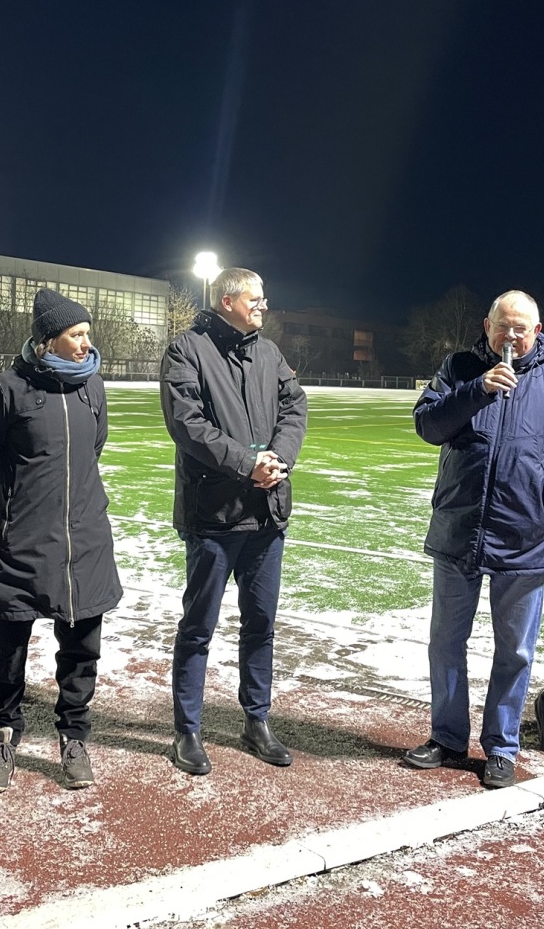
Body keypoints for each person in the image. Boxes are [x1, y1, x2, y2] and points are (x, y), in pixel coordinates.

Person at [403, 290, 544, 788]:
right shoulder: (460, 366)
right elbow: (428, 425)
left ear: (537, 330)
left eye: (520, 327)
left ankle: (501, 747)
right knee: (446, 642)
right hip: (458, 528)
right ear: (486, 325)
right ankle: (447, 738)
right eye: (502, 325)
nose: (510, 335)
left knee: (514, 650)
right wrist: (478, 390)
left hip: (523, 536)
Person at [0, 288, 121, 793]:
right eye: (76, 335)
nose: (85, 344)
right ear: (48, 339)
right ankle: (2, 736)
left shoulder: (91, 388)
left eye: (86, 334)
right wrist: (4, 524)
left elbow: (93, 449)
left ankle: (74, 735)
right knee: (7, 650)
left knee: (81, 648)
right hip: (20, 544)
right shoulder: (8, 389)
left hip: (85, 543)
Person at [160, 267, 308, 776]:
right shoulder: (187, 349)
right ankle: (188, 729)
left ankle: (256, 719)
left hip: (266, 516)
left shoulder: (267, 352)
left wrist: (278, 459)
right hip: (214, 518)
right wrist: (249, 463)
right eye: (256, 299)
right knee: (199, 626)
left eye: (265, 299)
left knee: (261, 623)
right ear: (227, 301)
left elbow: (294, 406)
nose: (264, 306)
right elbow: (188, 425)